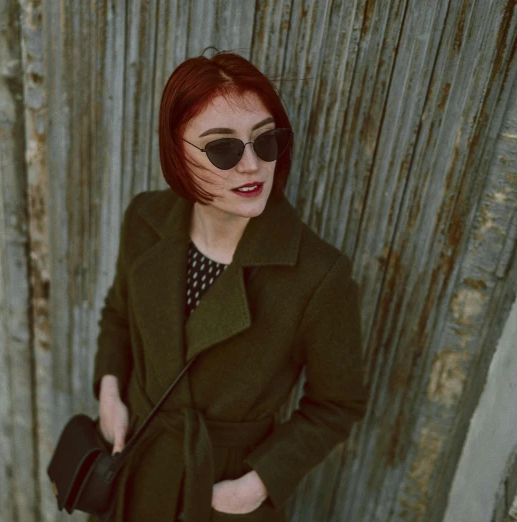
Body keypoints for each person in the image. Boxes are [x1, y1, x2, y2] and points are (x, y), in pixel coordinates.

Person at [91, 50, 369, 522]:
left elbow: (336, 404)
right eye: (223, 148)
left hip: (220, 489)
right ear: (175, 151)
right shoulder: (146, 219)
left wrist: (256, 484)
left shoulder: (319, 275)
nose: (252, 166)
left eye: (266, 142)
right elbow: (119, 313)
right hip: (135, 459)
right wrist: (110, 389)